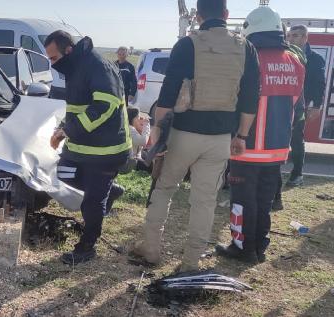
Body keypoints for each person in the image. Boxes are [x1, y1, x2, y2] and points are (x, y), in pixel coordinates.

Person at [130, 0, 260, 272]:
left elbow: (167, 94)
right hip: (221, 137)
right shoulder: (245, 48)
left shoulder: (187, 45)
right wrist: (242, 136)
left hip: (182, 134)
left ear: (198, 17)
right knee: (204, 201)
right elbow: (250, 98)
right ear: (226, 15)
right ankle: (190, 263)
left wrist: (156, 135)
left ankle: (151, 249)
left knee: (164, 188)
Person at [215, 6, 306, 264]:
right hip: (278, 147)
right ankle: (259, 246)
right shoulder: (295, 61)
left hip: (247, 145)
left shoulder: (247, 58)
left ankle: (242, 248)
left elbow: (235, 100)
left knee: (242, 200)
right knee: (264, 200)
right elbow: (298, 107)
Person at [45, 30, 131, 264]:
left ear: (68, 50)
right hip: (83, 145)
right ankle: (108, 190)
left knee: (92, 202)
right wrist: (63, 127)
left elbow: (104, 107)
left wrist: (68, 131)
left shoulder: (97, 66)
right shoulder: (76, 67)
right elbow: (77, 108)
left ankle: (87, 247)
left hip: (107, 148)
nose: (53, 64)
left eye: (54, 58)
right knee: (64, 171)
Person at [272, 24, 326, 210]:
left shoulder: (315, 59)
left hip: (301, 106)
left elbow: (319, 84)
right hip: (284, 105)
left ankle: (297, 174)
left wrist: (316, 106)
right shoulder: (286, 56)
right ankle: (276, 173)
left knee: (296, 139)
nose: (290, 39)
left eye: (295, 36)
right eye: (288, 35)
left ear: (305, 38)